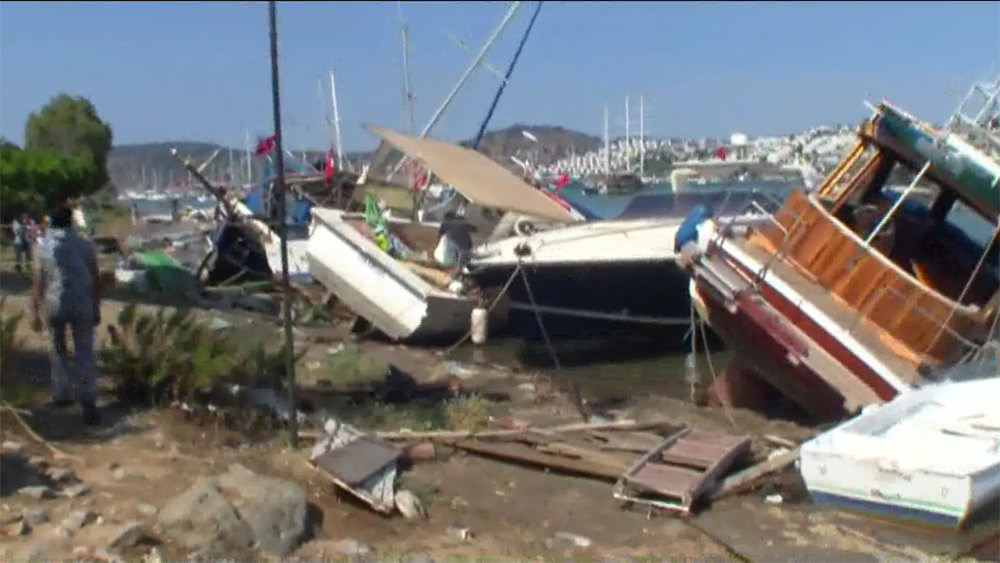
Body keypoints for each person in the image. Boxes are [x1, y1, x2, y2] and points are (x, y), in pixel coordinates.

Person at [31, 204, 102, 425]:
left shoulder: (43, 247)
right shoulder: (84, 245)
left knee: (58, 349)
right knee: (84, 351)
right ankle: (87, 399)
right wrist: (96, 307)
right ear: (71, 222)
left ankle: (62, 394)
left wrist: (35, 310)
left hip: (54, 302)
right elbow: (96, 279)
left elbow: (38, 283)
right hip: (82, 302)